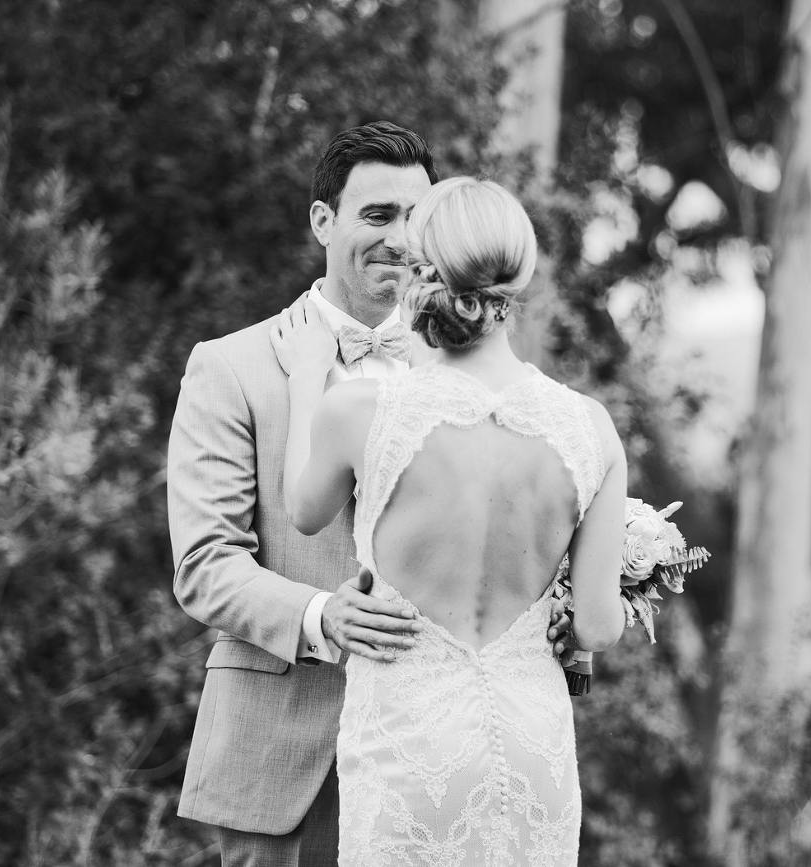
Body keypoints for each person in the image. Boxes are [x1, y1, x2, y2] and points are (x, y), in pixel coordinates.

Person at [167, 123, 573, 866]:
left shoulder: (478, 377)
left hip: (433, 757)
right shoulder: (230, 367)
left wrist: (561, 616)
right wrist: (325, 616)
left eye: (414, 218)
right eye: (376, 215)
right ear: (323, 221)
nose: (398, 238)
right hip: (285, 747)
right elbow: (204, 563)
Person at [274, 176, 628, 865]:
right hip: (532, 748)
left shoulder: (362, 412)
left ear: (419, 267)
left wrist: (304, 379)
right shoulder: (588, 427)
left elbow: (302, 510)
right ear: (516, 275)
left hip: (410, 746)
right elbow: (597, 625)